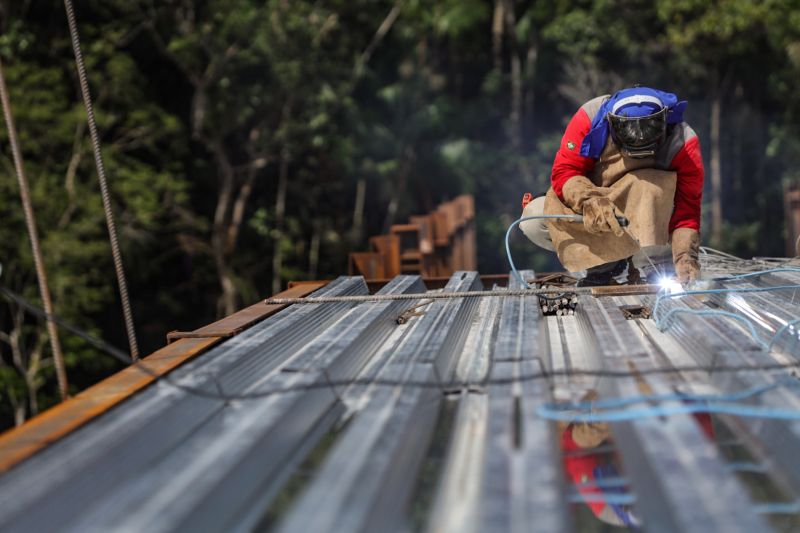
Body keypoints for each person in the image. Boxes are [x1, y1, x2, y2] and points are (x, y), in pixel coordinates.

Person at [521, 86, 704, 286]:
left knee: (651, 187)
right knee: (534, 219)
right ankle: (603, 265)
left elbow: (688, 209)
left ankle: (656, 263)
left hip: (653, 218)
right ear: (612, 124)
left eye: (648, 136)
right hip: (598, 204)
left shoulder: (684, 142)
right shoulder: (589, 118)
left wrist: (685, 257)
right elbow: (565, 171)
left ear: (664, 123)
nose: (640, 138)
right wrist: (589, 201)